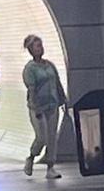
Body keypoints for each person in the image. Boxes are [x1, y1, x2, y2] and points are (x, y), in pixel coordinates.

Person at [22, 34, 69, 179]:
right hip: (38, 107)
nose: (40, 49)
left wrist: (63, 99)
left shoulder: (49, 65)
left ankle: (51, 166)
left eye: (41, 45)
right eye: (37, 46)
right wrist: (35, 106)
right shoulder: (30, 69)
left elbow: (57, 83)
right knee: (41, 137)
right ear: (31, 49)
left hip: (52, 104)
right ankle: (31, 156)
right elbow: (31, 89)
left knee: (52, 137)